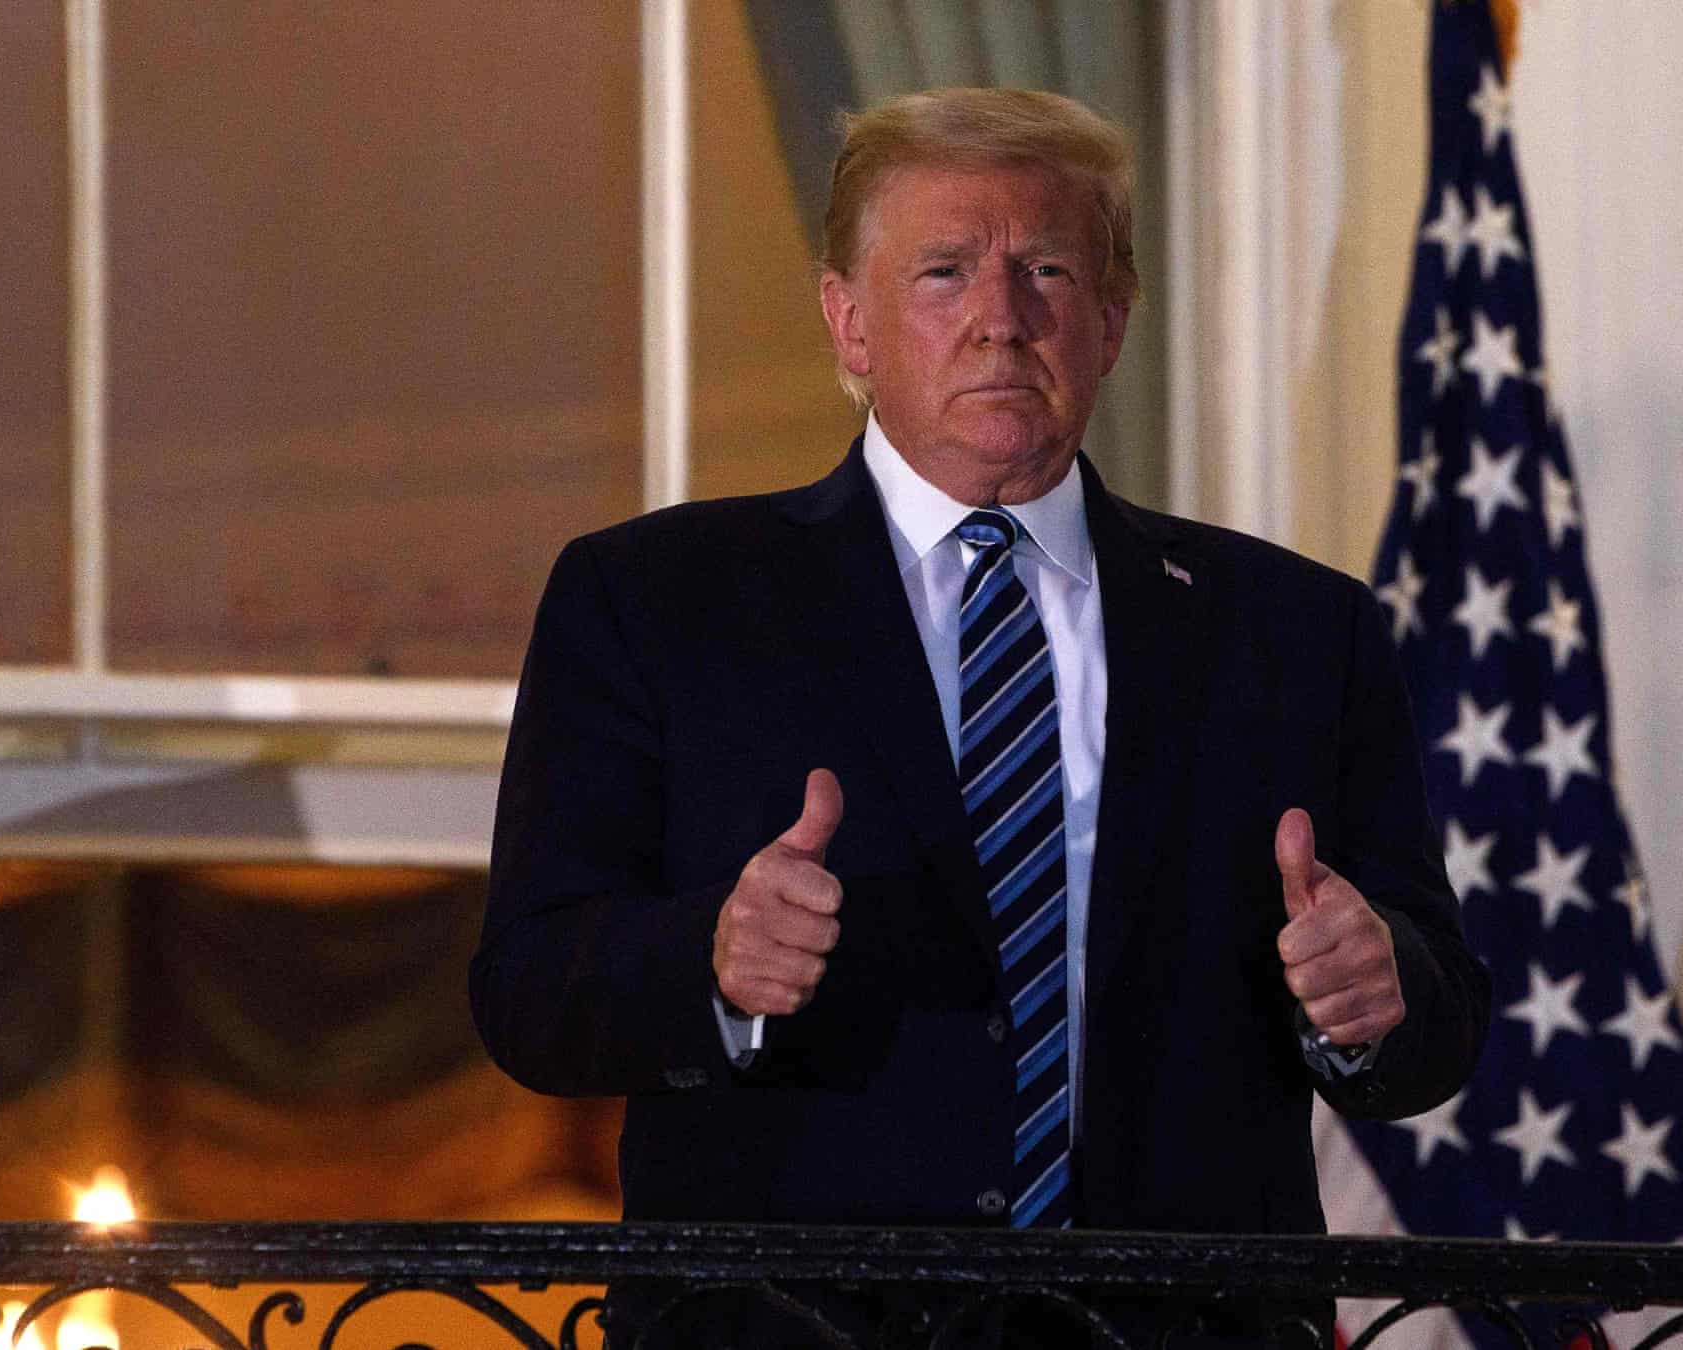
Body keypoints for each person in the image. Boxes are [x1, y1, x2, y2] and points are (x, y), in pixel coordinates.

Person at [471, 86, 1485, 1336]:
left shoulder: (1296, 630)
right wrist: (713, 964)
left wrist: (1372, 1001)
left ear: (1112, 322)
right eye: (944, 272)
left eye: (1047, 269)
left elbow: (1439, 1011)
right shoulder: (654, 601)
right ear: (849, 323)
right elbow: (527, 988)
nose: (1001, 319)